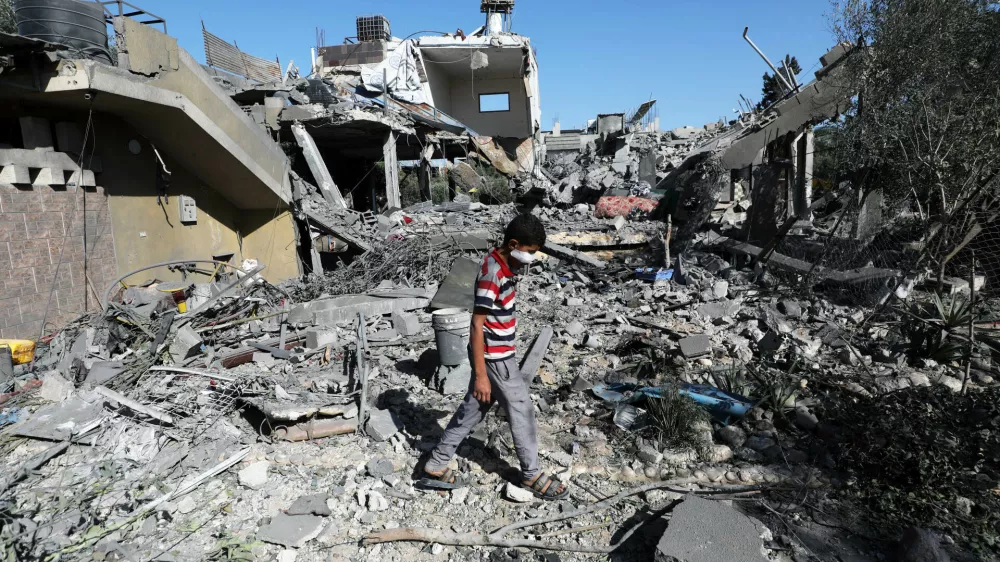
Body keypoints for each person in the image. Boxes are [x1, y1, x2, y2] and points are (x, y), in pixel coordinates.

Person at [419, 214, 569, 500]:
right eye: (530, 252)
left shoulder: (501, 264)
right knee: (521, 409)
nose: (532, 259)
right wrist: (481, 375)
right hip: (495, 358)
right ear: (513, 244)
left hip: (498, 354)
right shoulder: (493, 274)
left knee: (471, 412)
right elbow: (477, 324)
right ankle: (531, 474)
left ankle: (435, 465)